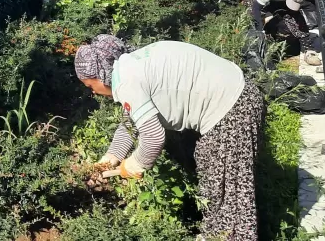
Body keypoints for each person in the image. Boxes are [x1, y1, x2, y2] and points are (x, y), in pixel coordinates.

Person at [74, 35, 264, 241]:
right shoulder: (130, 64)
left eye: (90, 86)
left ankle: (228, 237)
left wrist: (135, 165)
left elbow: (154, 137)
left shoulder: (127, 81)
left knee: (228, 197)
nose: (94, 92)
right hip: (239, 99)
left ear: (100, 75)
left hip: (232, 111)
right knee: (218, 187)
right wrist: (110, 158)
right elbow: (131, 122)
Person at [241, 0, 321, 66]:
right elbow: (255, 8)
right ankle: (265, 47)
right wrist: (260, 32)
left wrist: (316, 25)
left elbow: (306, 7)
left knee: (292, 15)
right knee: (258, 17)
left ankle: (309, 50)